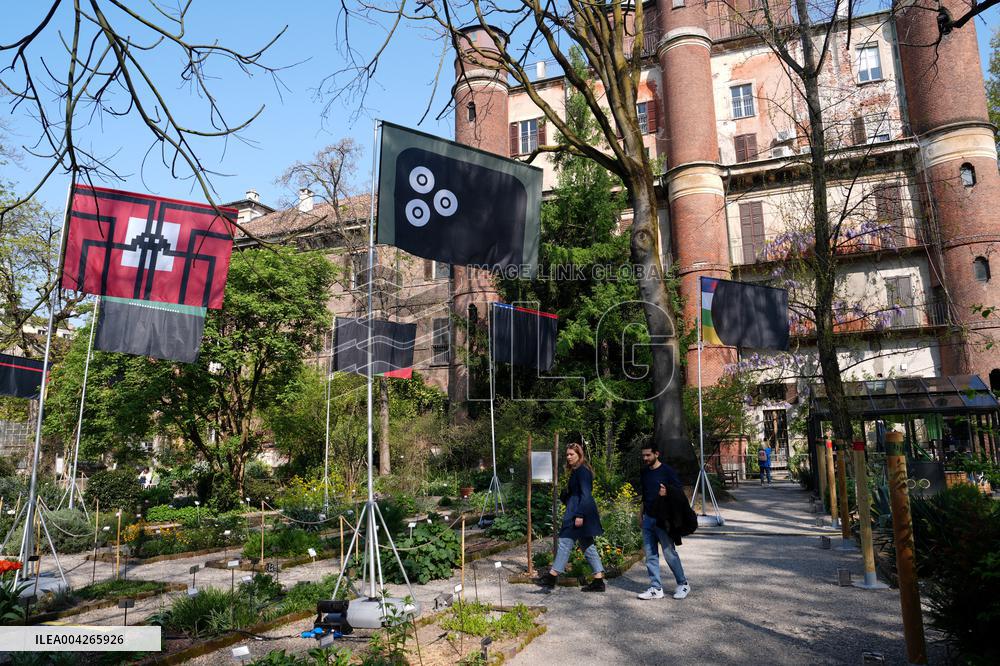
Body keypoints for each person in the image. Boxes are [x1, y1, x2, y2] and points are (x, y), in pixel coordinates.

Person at [537, 442, 606, 593]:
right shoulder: (577, 471)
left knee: (565, 541)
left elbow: (586, 495)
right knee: (587, 545)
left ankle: (552, 576)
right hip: (576, 510)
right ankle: (599, 580)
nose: (568, 457)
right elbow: (576, 494)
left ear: (579, 455)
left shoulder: (582, 471)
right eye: (567, 454)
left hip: (579, 513)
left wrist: (580, 515)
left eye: (572, 454)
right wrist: (566, 496)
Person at [638, 441, 690, 600]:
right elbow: (645, 495)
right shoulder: (645, 472)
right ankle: (656, 588)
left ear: (656, 454)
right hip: (648, 518)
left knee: (669, 553)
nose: (645, 458)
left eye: (648, 455)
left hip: (663, 519)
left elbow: (680, 492)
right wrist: (640, 515)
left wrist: (667, 492)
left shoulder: (667, 471)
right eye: (643, 455)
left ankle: (683, 584)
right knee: (650, 554)